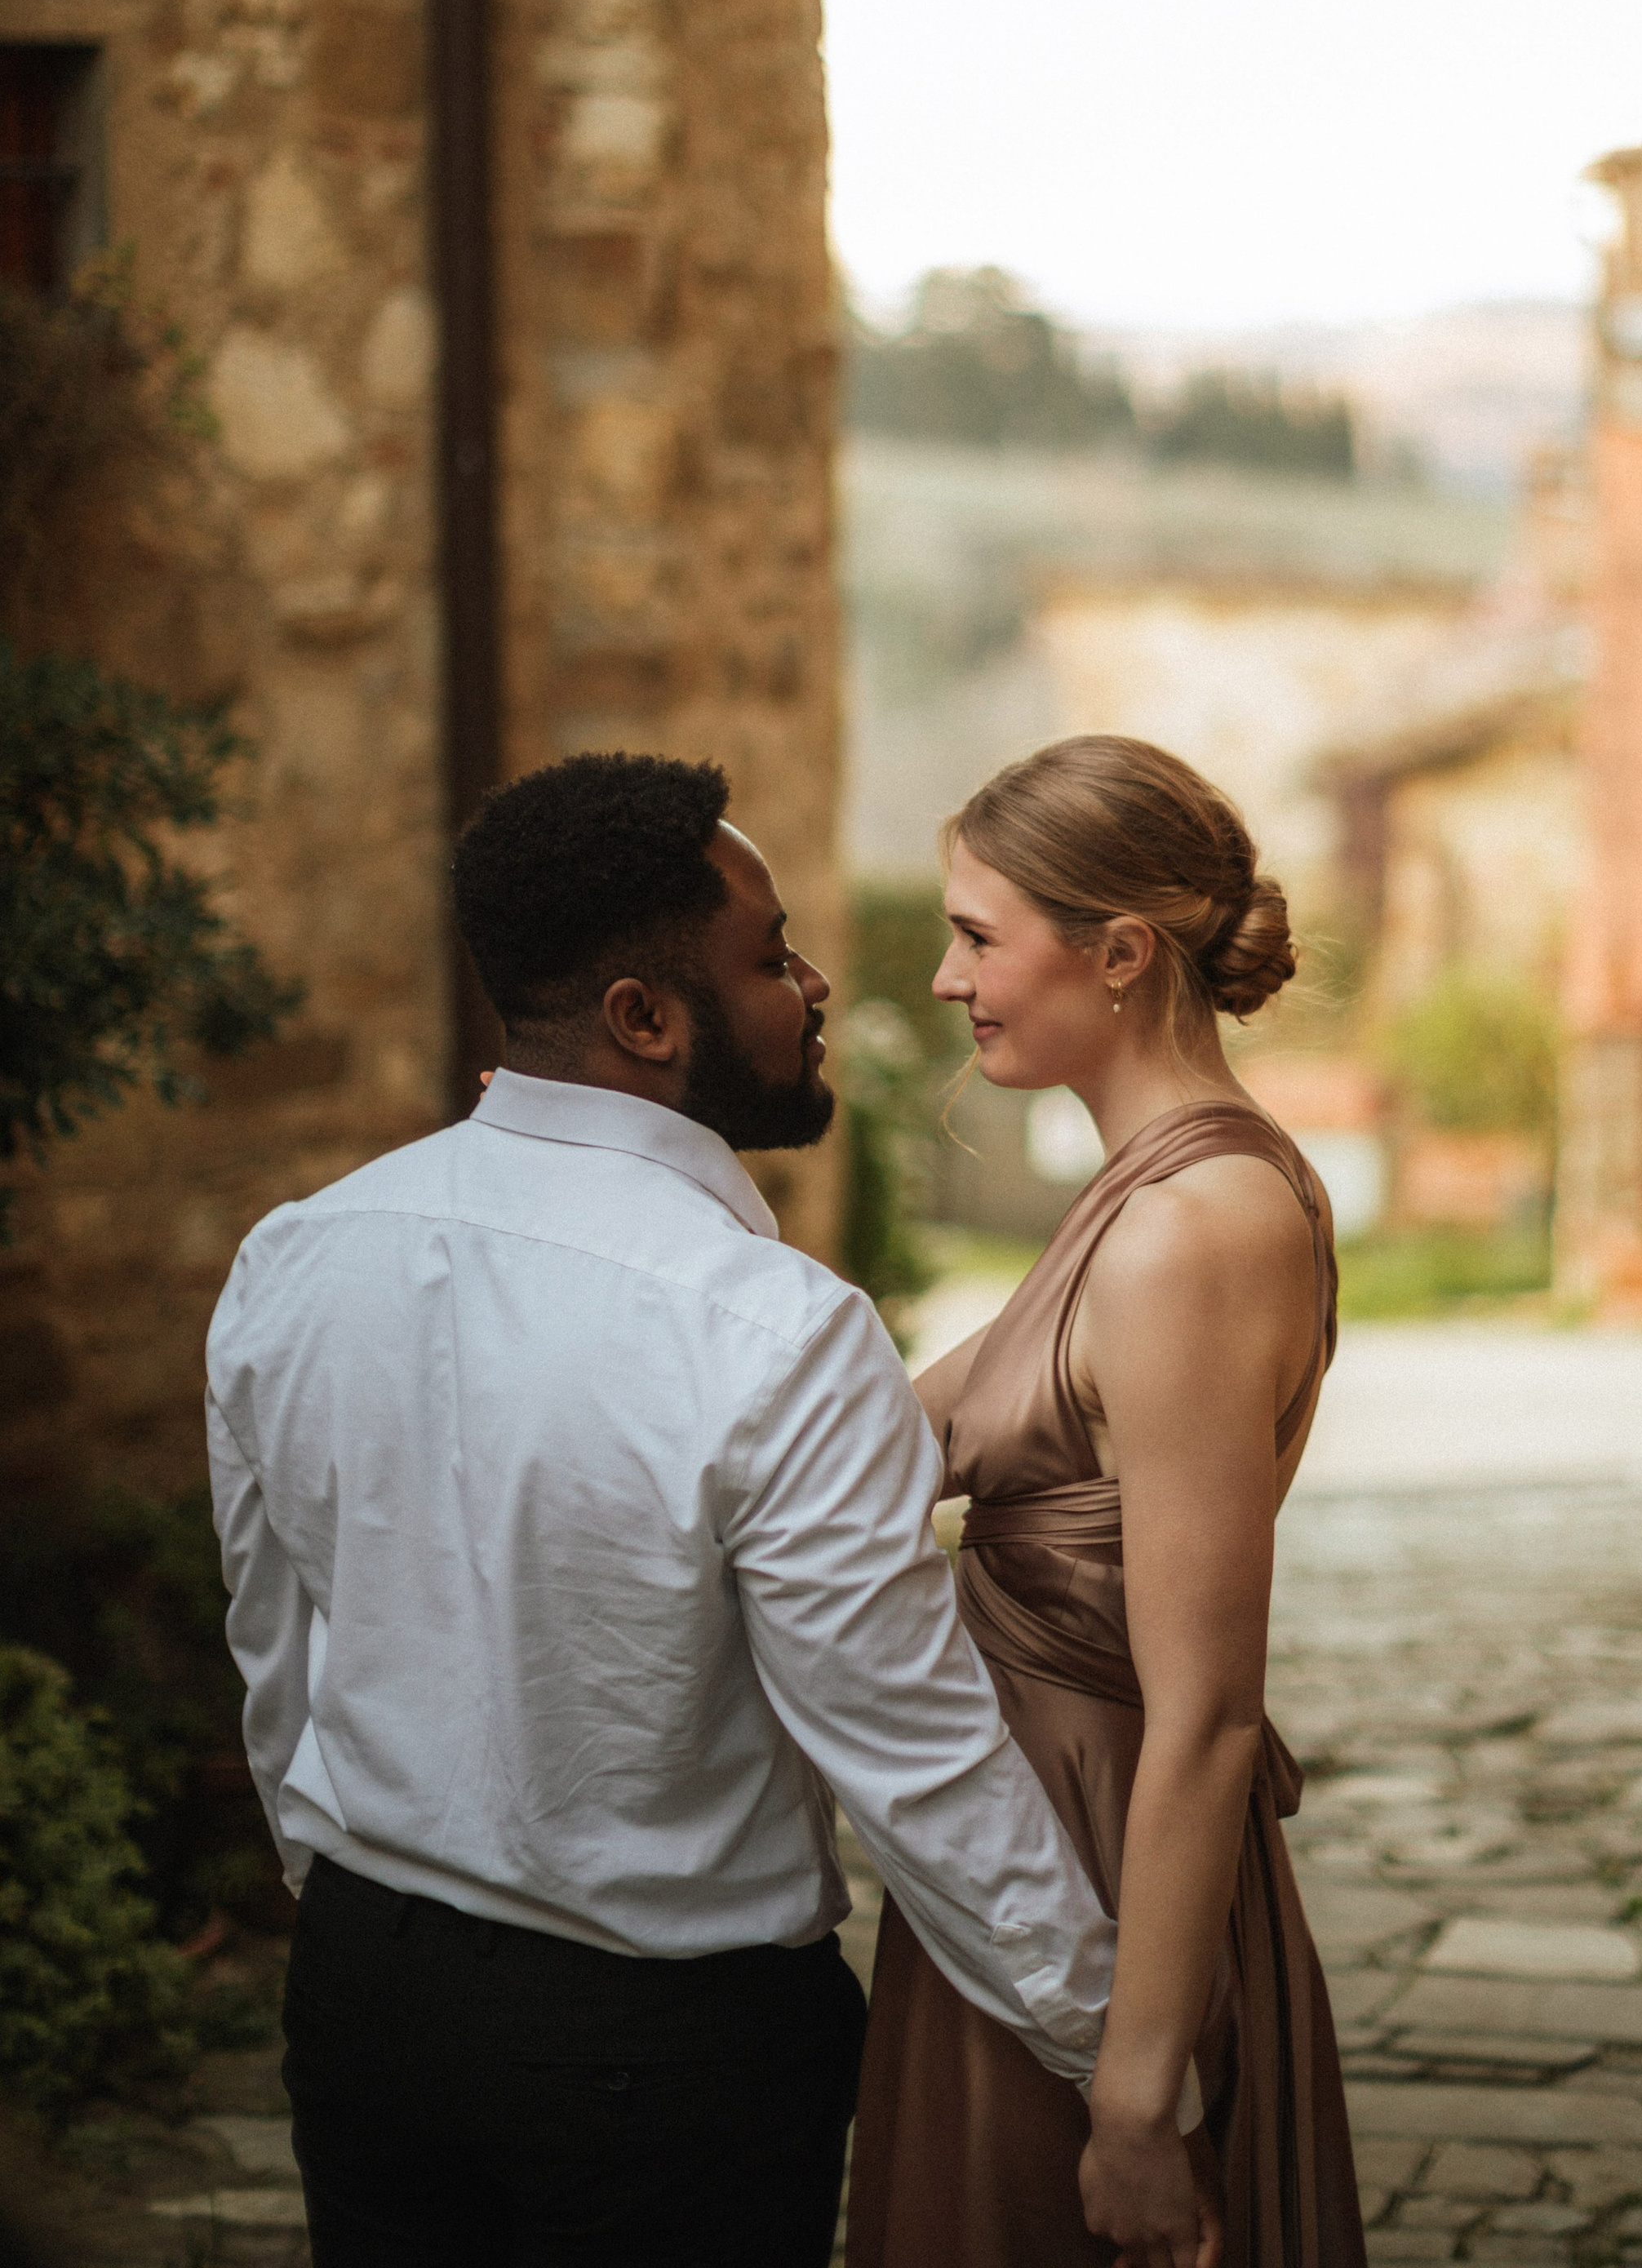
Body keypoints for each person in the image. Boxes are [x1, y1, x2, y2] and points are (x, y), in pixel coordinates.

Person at [205, 752, 1146, 2268]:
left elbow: (278, 1650)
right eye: (770, 956)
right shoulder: (776, 1331)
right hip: (660, 2055)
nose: (817, 981)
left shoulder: (297, 1256)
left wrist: (355, 1899)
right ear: (646, 1020)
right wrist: (1120, 2061)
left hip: (366, 1996)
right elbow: (912, 1758)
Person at [847, 733, 1368, 2268]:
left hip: (1098, 1893)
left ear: (1122, 952)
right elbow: (873, 1438)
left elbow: (1205, 1709)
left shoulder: (1190, 1231)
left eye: (976, 936)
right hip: (1025, 1849)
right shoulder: (1139, 1199)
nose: (948, 979)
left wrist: (1137, 2100)